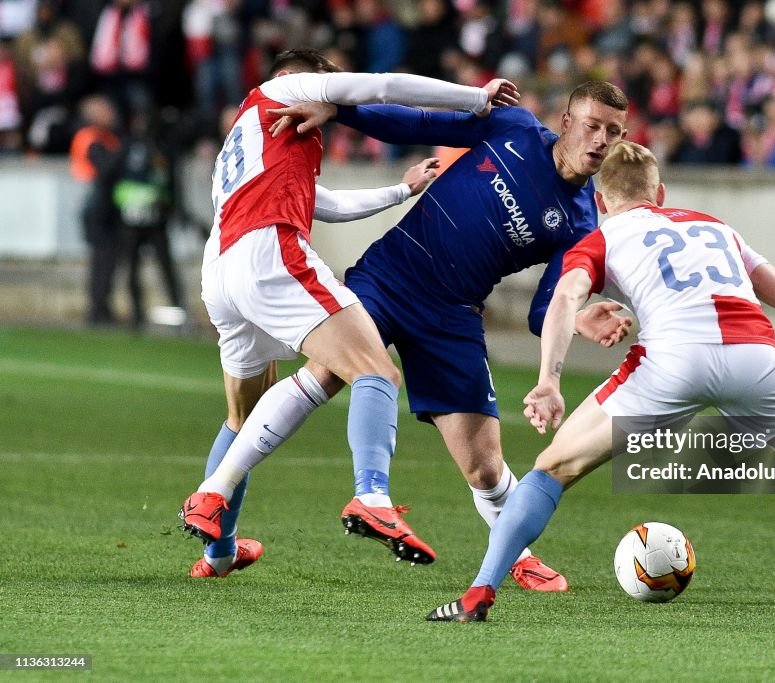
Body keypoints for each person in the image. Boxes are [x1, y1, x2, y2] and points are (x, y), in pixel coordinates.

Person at [426, 140, 775, 625]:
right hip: (755, 356)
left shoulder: (602, 237)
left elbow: (563, 300)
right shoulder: (717, 227)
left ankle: (478, 595)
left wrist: (548, 380)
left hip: (672, 362)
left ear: (601, 202)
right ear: (660, 193)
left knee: (551, 469)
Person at [251, 80, 635, 591]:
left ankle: (516, 552)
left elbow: (544, 311)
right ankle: (221, 487)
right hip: (392, 273)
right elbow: (421, 123)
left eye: (614, 132)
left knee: (483, 465)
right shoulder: (515, 128)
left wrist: (579, 318)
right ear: (566, 122)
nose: (601, 140)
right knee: (325, 375)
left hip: (452, 315)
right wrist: (340, 111)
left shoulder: (581, 222)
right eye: (592, 126)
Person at [178, 47, 520, 576]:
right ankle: (372, 497)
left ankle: (218, 549)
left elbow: (326, 204)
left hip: (220, 268)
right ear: (301, 78)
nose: (333, 93)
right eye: (328, 83)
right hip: (268, 250)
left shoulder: (253, 130)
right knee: (376, 370)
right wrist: (474, 98)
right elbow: (383, 87)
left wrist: (402, 188)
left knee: (242, 417)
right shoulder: (286, 90)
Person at [113, 109, 185, 328]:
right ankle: (137, 314)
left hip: (154, 218)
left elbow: (171, 184)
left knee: (163, 267)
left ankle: (176, 313)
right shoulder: (130, 147)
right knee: (135, 267)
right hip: (134, 217)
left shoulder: (161, 149)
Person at [69, 94, 122, 326]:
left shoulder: (107, 137)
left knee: (109, 258)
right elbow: (104, 169)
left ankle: (103, 306)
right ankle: (97, 309)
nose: (111, 113)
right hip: (96, 205)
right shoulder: (89, 137)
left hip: (107, 204)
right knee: (102, 257)